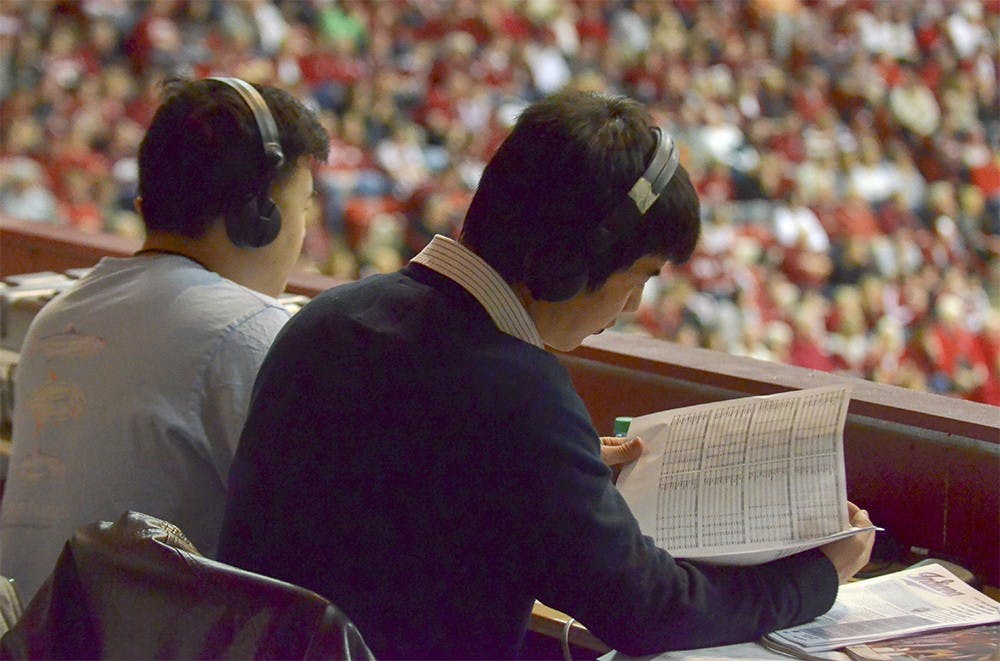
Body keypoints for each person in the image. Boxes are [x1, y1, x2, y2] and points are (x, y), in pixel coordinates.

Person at [217, 89, 874, 658]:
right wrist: (815, 576)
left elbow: (416, 481)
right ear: (569, 263)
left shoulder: (328, 319)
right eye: (638, 278)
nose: (634, 307)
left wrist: (567, 467)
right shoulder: (514, 390)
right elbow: (646, 609)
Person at [0, 76, 329, 604]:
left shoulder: (55, 319)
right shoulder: (253, 332)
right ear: (258, 215)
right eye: (303, 207)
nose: (303, 234)